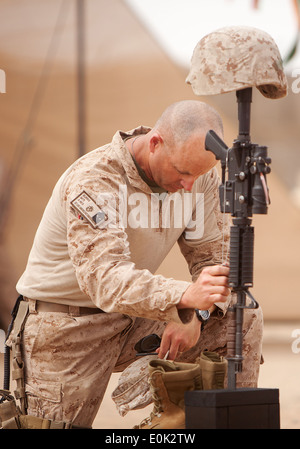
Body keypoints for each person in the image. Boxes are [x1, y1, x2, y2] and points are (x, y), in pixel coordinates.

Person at [9, 100, 263, 428]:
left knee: (240, 317)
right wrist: (182, 297)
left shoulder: (198, 176)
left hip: (131, 319)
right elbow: (105, 279)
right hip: (64, 325)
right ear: (155, 143)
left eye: (198, 174)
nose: (189, 185)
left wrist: (196, 313)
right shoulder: (96, 179)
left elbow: (212, 261)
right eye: (183, 172)